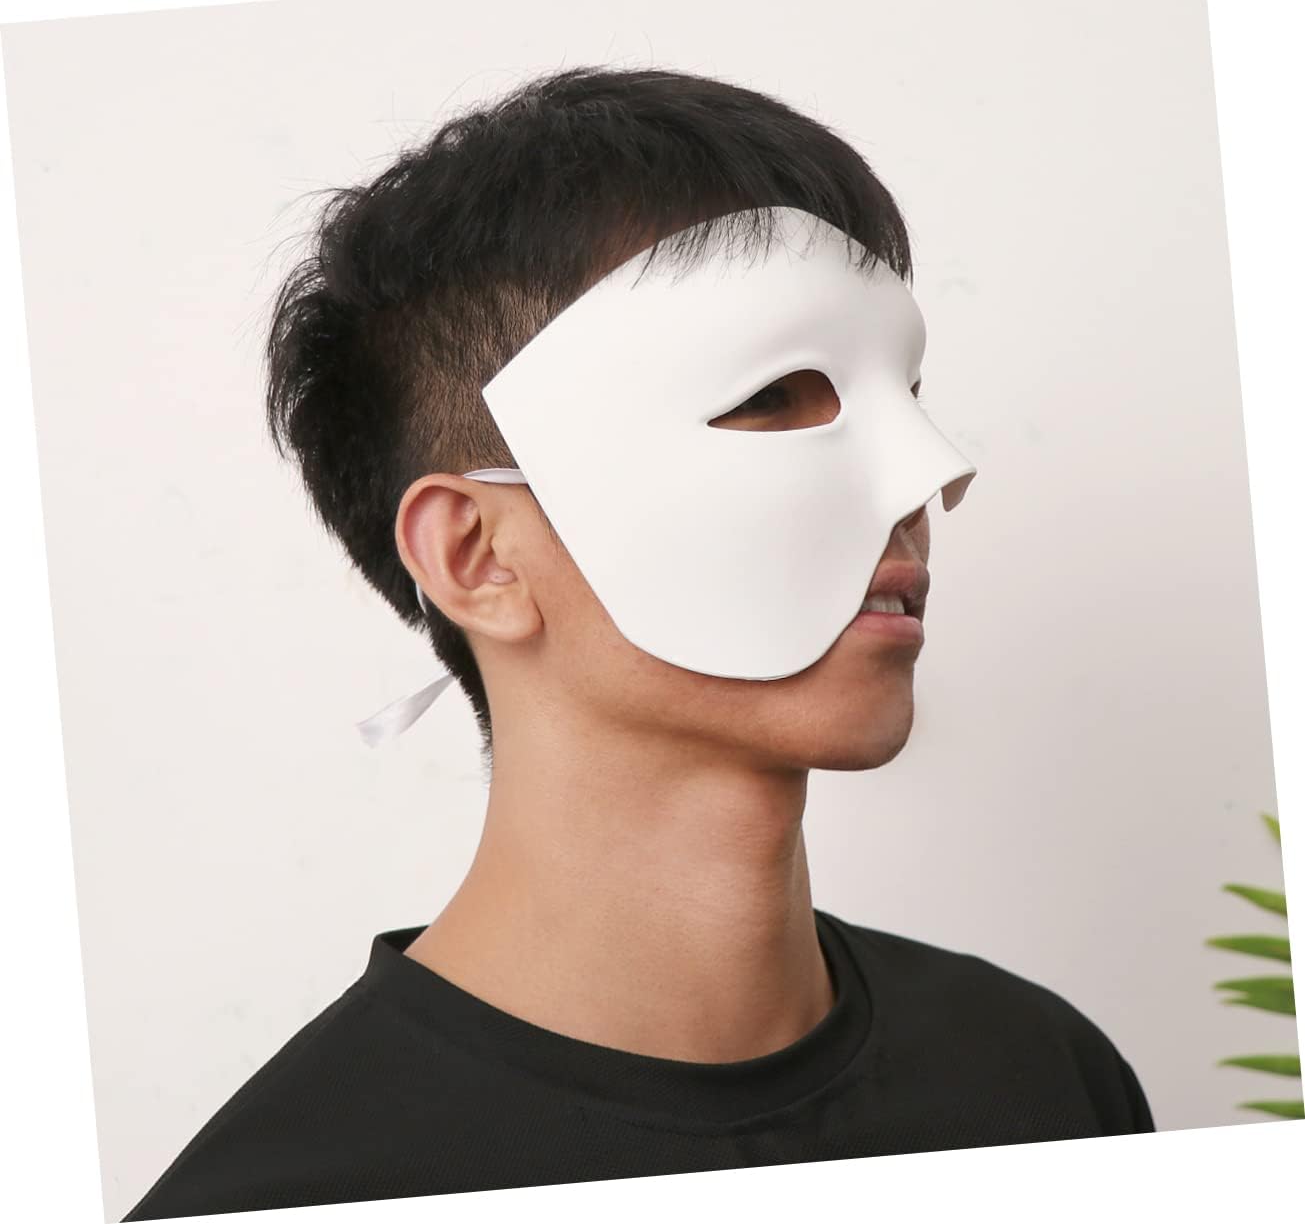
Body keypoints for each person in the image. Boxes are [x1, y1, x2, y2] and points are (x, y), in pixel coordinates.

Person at [122, 64, 1153, 1221]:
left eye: (907, 391)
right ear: (476, 556)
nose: (931, 474)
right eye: (771, 394)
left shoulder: (1042, 1078)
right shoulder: (288, 1196)